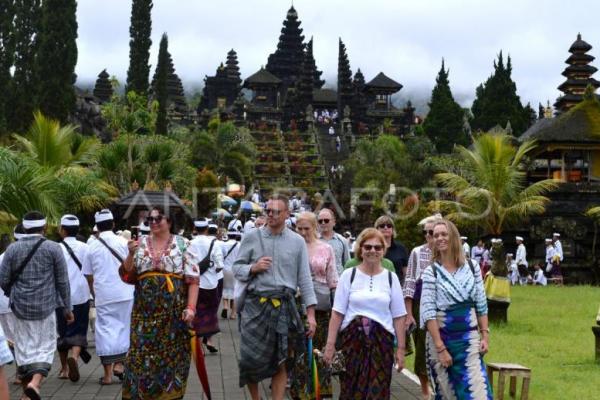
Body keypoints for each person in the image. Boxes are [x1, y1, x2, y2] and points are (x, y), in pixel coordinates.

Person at [233, 194, 317, 400]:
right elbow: (236, 268)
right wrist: (253, 267)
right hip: (255, 304)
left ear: (287, 214)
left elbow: (304, 279)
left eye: (275, 211)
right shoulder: (251, 236)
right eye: (267, 211)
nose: (270, 215)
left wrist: (311, 314)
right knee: (248, 359)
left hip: (284, 305)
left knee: (281, 359)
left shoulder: (297, 242)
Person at [119, 206, 200, 399]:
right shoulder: (139, 245)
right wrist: (130, 254)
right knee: (140, 357)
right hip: (143, 315)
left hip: (173, 316)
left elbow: (193, 280)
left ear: (170, 221)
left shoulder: (184, 245)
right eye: (150, 219)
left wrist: (190, 308)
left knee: (172, 358)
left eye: (158, 219)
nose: (153, 222)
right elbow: (127, 276)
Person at [323, 228, 406, 399]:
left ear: (383, 250)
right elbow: (337, 313)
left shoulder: (391, 278)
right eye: (368, 247)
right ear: (360, 249)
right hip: (352, 342)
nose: (372, 251)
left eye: (377, 247)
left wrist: (401, 350)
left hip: (382, 343)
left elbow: (399, 316)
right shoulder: (348, 275)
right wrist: (330, 345)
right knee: (350, 389)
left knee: (378, 390)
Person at [0, 211, 73, 400]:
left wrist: (13, 292)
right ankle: (35, 383)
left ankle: (27, 392)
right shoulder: (53, 248)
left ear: (24, 227)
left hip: (20, 308)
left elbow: (3, 279)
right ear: (45, 228)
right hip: (46, 306)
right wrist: (67, 308)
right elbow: (62, 281)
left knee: (24, 348)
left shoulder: (12, 250)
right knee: (46, 347)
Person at [419, 219, 492, 399]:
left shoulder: (472, 267)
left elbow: (481, 304)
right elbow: (428, 313)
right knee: (447, 394)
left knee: (478, 393)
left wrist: (485, 335)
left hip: (469, 341)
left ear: (454, 237)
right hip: (441, 341)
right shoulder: (431, 272)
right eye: (435, 235)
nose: (440, 238)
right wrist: (441, 348)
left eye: (444, 234)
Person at [290, 212, 338, 400]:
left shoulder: (326, 249)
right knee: (299, 351)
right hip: (296, 304)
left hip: (322, 305)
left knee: (321, 350)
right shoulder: (292, 248)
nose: (302, 232)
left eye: (306, 228)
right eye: (299, 228)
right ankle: (301, 392)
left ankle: (321, 391)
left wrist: (337, 308)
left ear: (315, 228)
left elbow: (333, 279)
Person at [83, 209, 134, 385]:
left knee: (104, 331)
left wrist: (94, 292)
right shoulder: (123, 242)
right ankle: (120, 365)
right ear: (113, 224)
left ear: (97, 226)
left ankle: (107, 375)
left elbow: (89, 276)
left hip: (104, 294)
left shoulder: (91, 247)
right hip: (126, 291)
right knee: (124, 328)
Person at [403, 216, 437, 400]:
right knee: (422, 347)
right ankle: (425, 390)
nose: (429, 236)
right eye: (426, 232)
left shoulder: (448, 253)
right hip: (419, 303)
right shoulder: (417, 252)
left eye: (432, 232)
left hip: (441, 304)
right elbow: (409, 283)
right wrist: (409, 314)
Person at [56, 215, 93, 382]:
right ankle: (75, 357)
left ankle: (63, 369)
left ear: (63, 230)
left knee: (62, 331)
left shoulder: (55, 248)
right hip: (81, 294)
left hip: (60, 297)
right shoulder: (86, 248)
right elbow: (90, 272)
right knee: (79, 329)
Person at [189, 220, 225, 353]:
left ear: (194, 228)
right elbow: (220, 265)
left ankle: (198, 346)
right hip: (211, 284)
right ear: (207, 229)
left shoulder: (189, 243)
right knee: (210, 312)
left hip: (194, 284)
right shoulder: (214, 244)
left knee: (195, 312)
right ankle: (209, 340)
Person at [374, 215, 408, 283]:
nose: (386, 228)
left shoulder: (401, 248)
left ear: (393, 230)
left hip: (397, 285)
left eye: (389, 226)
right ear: (376, 229)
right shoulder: (372, 247)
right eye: (382, 226)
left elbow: (406, 274)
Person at [318, 208, 350, 276]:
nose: (323, 223)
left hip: (337, 282)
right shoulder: (314, 240)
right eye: (320, 221)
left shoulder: (342, 241)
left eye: (326, 220)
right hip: (318, 283)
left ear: (334, 222)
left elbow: (347, 264)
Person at [221, 230, 242, 320]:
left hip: (225, 269)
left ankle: (225, 306)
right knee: (235, 291)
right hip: (236, 270)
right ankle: (233, 314)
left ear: (228, 236)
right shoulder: (240, 245)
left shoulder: (223, 244)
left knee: (225, 288)